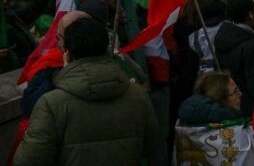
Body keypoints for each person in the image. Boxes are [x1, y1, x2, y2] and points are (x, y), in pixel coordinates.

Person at [14, 18, 159, 165]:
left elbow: (28, 160)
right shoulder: (138, 95)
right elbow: (151, 146)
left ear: (67, 55)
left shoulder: (51, 104)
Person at [214, 0, 254, 116]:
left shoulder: (222, 38)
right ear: (250, 15)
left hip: (228, 104)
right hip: (250, 109)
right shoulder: (252, 47)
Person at [175, 71, 243, 126]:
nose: (240, 94)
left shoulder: (188, 123)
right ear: (220, 98)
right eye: (235, 91)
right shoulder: (228, 128)